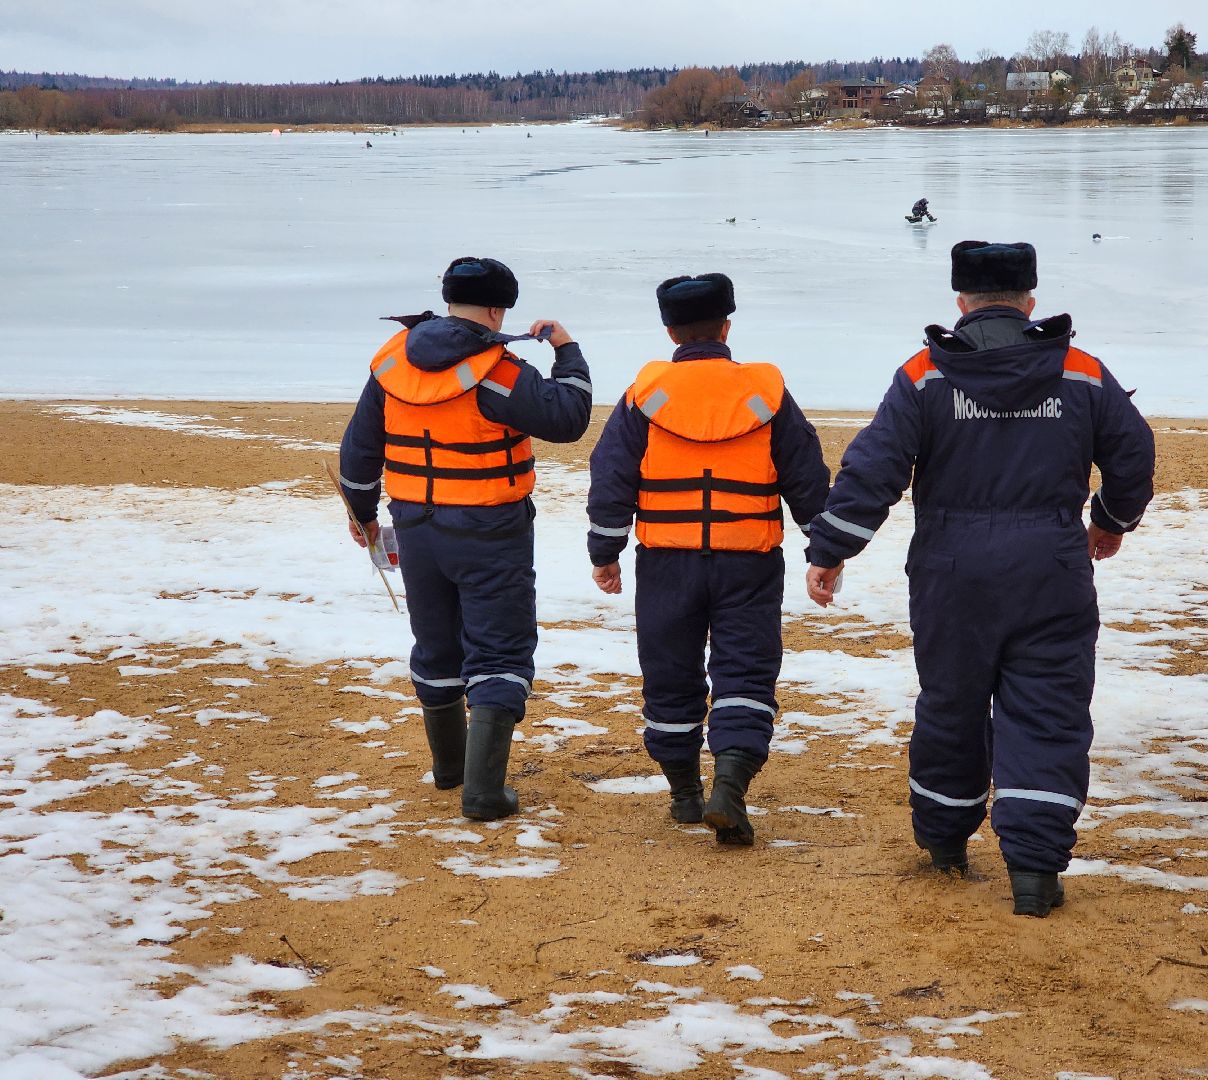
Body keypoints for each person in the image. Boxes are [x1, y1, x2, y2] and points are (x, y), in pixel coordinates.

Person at [804, 241, 1154, 917]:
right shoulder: (1081, 372)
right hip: (1051, 564)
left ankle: (944, 842)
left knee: (952, 705)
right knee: (1049, 712)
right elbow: (1133, 455)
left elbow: (872, 470)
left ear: (961, 303)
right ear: (1030, 301)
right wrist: (1110, 521)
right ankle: (1034, 869)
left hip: (952, 568)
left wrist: (831, 548)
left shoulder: (922, 375)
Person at [338, 256, 593, 821]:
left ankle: (450, 770)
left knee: (435, 645)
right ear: (499, 310)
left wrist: (363, 516)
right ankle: (481, 794)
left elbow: (357, 456)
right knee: (499, 651)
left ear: (448, 300)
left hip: (416, 527)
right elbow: (570, 418)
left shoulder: (391, 364)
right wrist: (567, 351)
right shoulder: (498, 373)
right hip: (490, 531)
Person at [586, 274, 829, 846]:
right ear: (727, 325)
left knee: (670, 674)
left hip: (667, 563)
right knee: (745, 672)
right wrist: (826, 551)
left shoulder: (645, 395)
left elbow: (612, 476)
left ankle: (684, 794)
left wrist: (605, 550)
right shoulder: (765, 394)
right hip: (749, 562)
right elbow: (806, 476)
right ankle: (730, 786)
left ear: (669, 329)